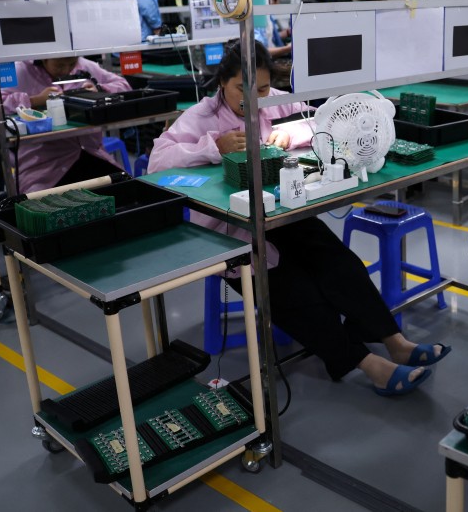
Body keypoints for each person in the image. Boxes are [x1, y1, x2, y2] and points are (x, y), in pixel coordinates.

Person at [147, 39, 450, 396]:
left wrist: (290, 133)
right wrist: (212, 147)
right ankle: (369, 365)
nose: (254, 98)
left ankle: (394, 340)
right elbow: (158, 161)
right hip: (233, 233)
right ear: (221, 85)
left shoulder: (275, 100)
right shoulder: (202, 117)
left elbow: (321, 124)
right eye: (241, 89)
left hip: (285, 216)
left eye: (261, 88)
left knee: (337, 260)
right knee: (294, 289)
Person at [0, 57, 132, 193]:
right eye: (59, 65)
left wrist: (99, 89)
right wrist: (35, 100)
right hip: (43, 167)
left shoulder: (84, 66)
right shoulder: (19, 71)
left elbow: (124, 86)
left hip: (91, 154)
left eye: (71, 64)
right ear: (43, 58)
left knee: (126, 192)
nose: (66, 70)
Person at [263, 0, 292, 90]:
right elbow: (263, 50)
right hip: (270, 64)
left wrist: (287, 33)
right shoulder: (261, 18)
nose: (278, 2)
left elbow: (267, 39)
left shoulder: (268, 16)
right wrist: (288, 48)